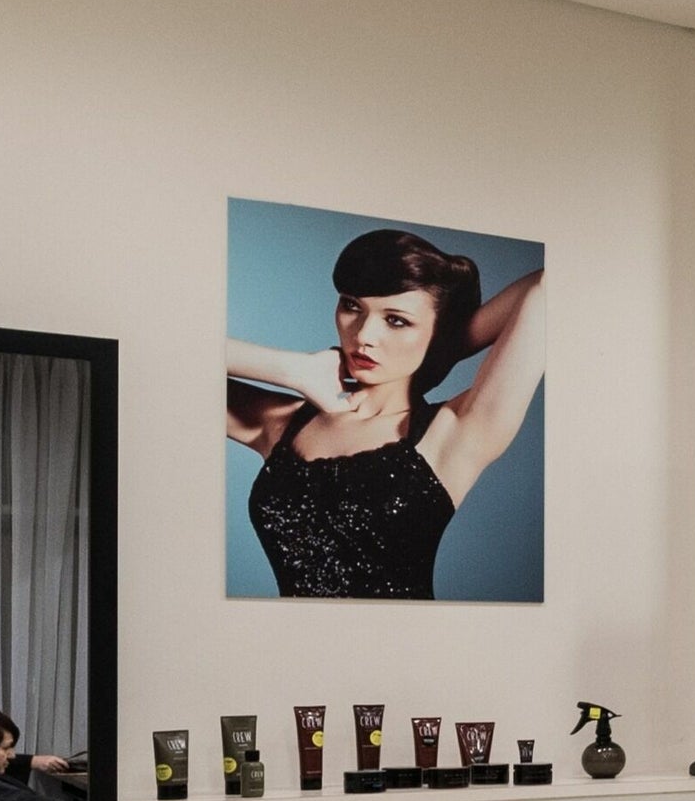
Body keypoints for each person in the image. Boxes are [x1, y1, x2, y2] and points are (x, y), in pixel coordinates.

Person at [227, 229, 549, 599]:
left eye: (396, 320)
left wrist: (442, 347)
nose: (364, 335)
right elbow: (181, 358)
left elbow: (547, 285)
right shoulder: (284, 423)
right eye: (352, 306)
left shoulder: (455, 433)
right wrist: (294, 370)